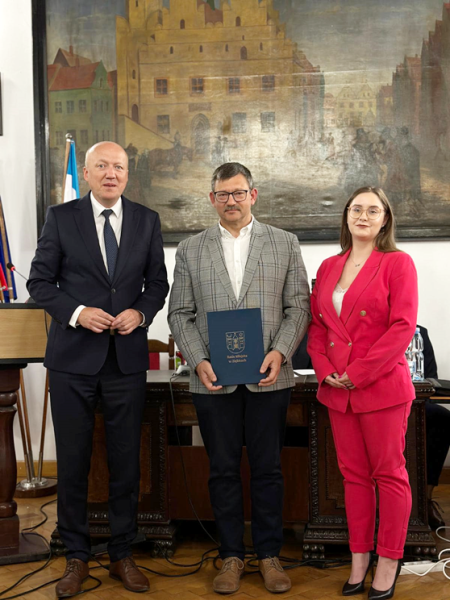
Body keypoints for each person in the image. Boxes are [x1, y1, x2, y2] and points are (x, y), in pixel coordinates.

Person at [27, 141, 169, 598]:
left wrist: (141, 314)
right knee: (72, 461)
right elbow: (39, 283)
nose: (112, 173)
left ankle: (122, 552)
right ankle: (76, 556)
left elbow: (157, 283)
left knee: (126, 460)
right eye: (102, 166)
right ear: (85, 173)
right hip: (72, 360)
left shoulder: (146, 220)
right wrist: (76, 312)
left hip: (125, 359)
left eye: (120, 167)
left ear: (129, 175)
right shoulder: (61, 217)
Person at [168, 162, 310, 595]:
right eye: (222, 194)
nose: (231, 200)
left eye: (238, 192)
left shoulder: (284, 243)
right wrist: (198, 359)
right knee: (223, 470)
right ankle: (230, 555)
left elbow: (299, 306)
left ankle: (268, 555)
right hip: (213, 379)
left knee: (267, 469)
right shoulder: (191, 249)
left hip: (270, 377)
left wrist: (280, 351)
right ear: (212, 199)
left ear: (253, 194)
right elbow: (179, 313)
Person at [307, 186, 418, 600]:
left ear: (385, 219)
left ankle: (388, 562)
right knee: (353, 478)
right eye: (357, 209)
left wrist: (358, 372)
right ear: (346, 216)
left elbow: (402, 326)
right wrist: (326, 371)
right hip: (338, 389)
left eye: (374, 210)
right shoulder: (329, 264)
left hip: (381, 387)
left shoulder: (397, 263)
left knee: (388, 475)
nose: (364, 216)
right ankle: (359, 560)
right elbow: (318, 327)